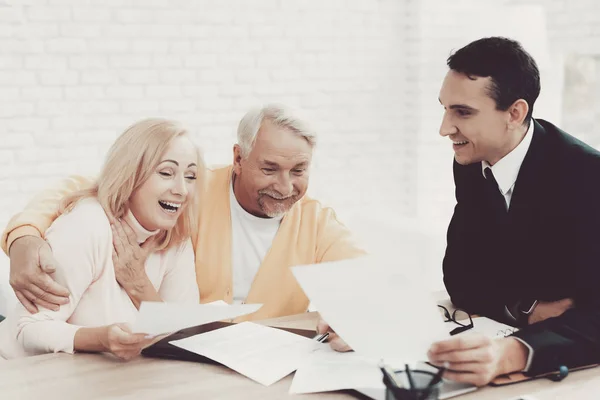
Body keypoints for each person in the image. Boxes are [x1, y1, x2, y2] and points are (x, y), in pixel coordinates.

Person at [319, 37, 600, 386]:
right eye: (445, 108)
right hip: (502, 341)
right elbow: (461, 277)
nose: (444, 128)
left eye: (462, 112)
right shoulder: (471, 162)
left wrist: (511, 353)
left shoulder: (588, 177)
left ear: (515, 113)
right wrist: (526, 308)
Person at [3, 104, 366, 322]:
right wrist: (23, 237)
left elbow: (368, 283)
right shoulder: (191, 190)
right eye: (270, 170)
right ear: (239, 158)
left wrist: (352, 320)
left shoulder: (317, 222)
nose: (286, 188)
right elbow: (89, 186)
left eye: (299, 171)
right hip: (173, 359)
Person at [0, 118, 203, 359]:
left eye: (190, 176)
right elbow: (28, 328)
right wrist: (99, 339)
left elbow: (186, 335)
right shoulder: (88, 223)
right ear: (130, 174)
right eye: (166, 173)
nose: (181, 190)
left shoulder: (176, 237)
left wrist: (139, 284)